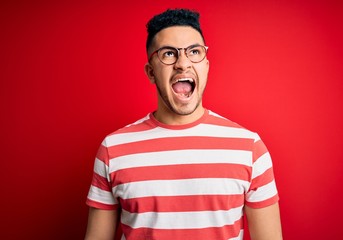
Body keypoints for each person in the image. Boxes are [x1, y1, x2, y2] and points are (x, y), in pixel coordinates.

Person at [85, 8, 282, 240]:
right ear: (150, 72)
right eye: (169, 54)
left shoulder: (249, 148)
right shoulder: (113, 149)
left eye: (194, 52)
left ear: (206, 66)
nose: (183, 64)